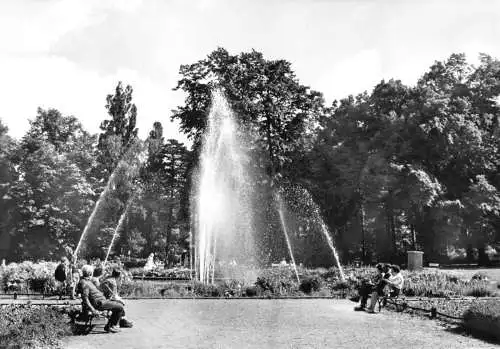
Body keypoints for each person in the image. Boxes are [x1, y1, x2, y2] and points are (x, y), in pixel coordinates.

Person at [78, 265, 129, 333]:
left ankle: (115, 324)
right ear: (90, 273)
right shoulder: (85, 283)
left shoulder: (87, 281)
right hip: (99, 303)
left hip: (102, 301)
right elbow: (85, 298)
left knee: (119, 304)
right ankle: (111, 326)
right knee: (120, 307)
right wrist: (93, 310)